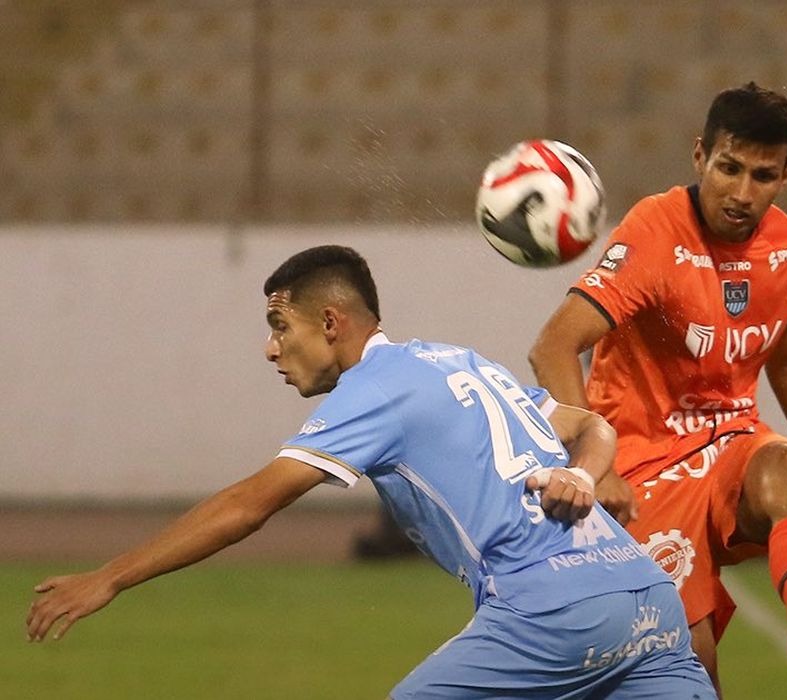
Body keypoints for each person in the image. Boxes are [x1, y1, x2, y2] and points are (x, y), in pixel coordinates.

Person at [26, 245, 716, 700]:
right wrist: (585, 477)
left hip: (550, 614)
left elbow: (248, 506)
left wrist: (110, 576)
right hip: (647, 600)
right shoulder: (459, 360)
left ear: (330, 322)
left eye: (279, 324)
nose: (270, 348)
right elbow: (595, 426)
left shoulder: (374, 387)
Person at [529, 82, 787, 697]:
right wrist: (593, 465)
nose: (742, 193)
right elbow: (553, 347)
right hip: (640, 464)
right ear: (700, 155)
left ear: (786, 177)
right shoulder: (654, 229)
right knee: (688, 661)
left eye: (763, 176)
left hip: (728, 441)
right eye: (729, 168)